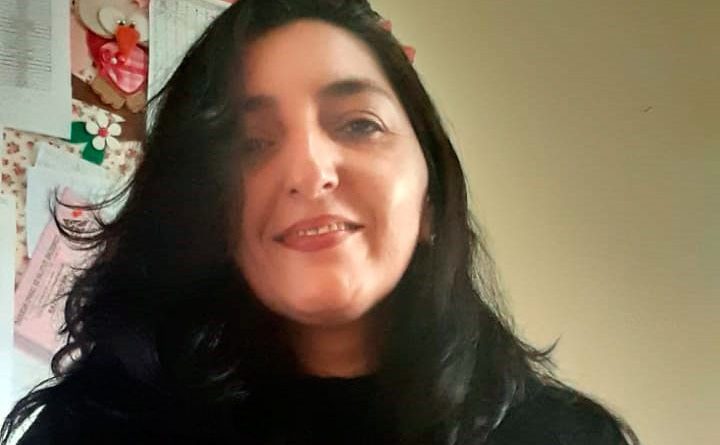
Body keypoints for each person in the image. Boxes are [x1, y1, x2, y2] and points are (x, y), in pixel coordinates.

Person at [2, 1, 641, 444]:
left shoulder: (566, 437)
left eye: (359, 124)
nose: (309, 170)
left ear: (432, 199)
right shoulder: (90, 431)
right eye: (252, 143)